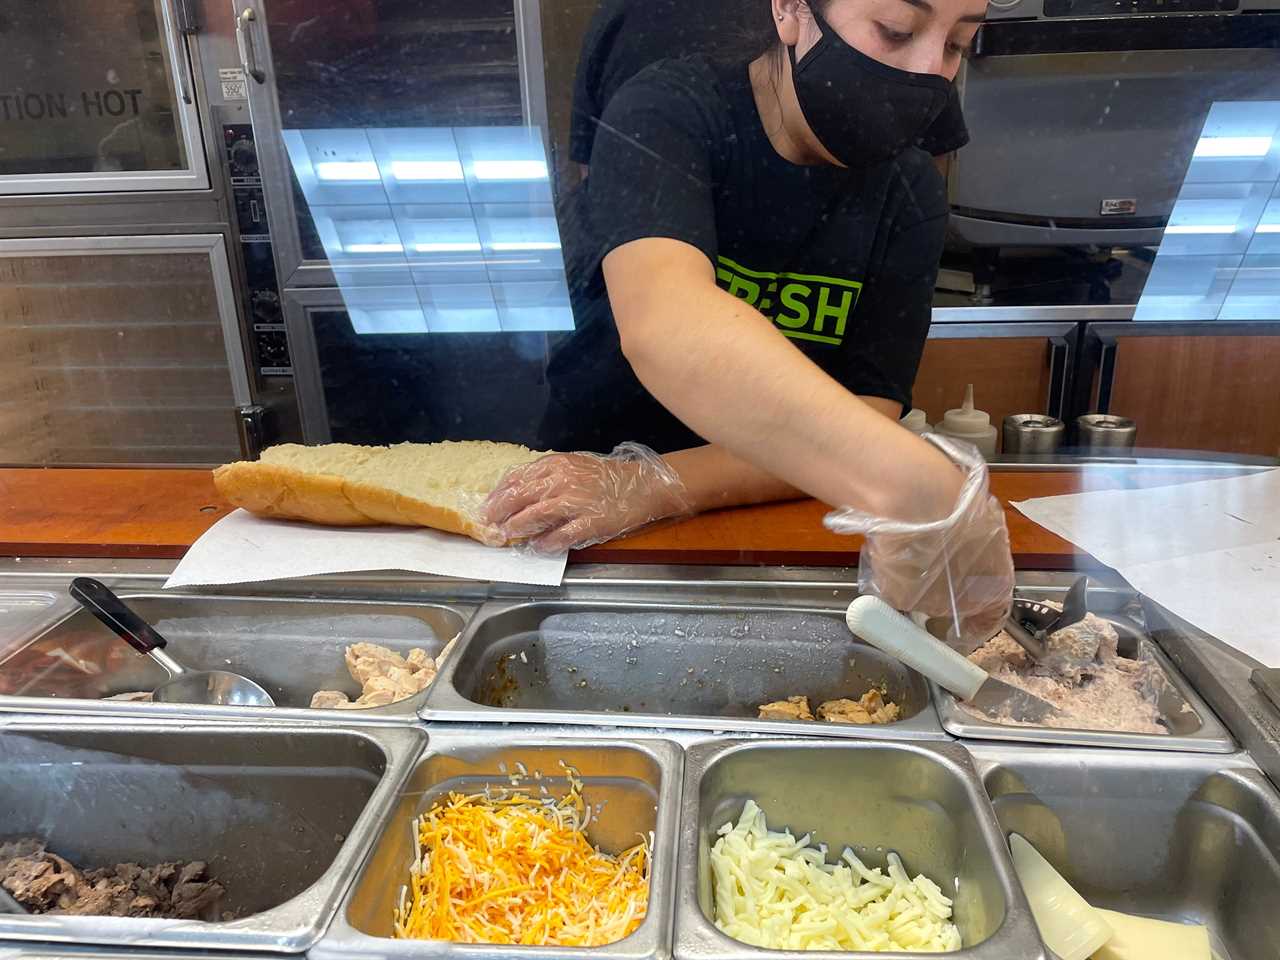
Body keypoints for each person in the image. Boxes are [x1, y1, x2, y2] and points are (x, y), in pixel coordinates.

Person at [484, 0, 1013, 649]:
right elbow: (668, 325)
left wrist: (662, 485)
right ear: (791, 9)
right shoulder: (670, 111)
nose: (931, 72)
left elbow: (870, 405)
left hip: (761, 515)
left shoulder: (910, 191)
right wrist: (917, 483)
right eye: (896, 30)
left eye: (959, 43)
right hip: (584, 497)